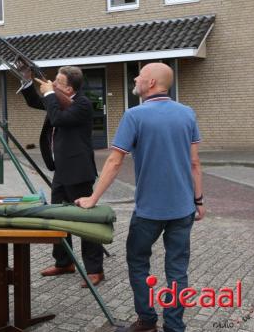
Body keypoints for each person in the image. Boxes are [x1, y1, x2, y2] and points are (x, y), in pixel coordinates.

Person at [75, 62, 205, 332]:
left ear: (152, 84)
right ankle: (174, 326)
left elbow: (114, 162)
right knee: (177, 270)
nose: (135, 78)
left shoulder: (134, 116)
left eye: (141, 75)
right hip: (183, 209)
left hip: (149, 211)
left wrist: (92, 199)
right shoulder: (187, 114)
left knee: (138, 262)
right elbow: (195, 163)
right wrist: (199, 200)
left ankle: (146, 321)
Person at [20, 66, 105, 287]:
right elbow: (36, 103)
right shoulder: (57, 100)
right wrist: (28, 81)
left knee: (85, 223)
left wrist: (49, 93)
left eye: (58, 81)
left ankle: (95, 270)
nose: (53, 83)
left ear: (69, 88)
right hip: (61, 171)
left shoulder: (83, 104)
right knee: (57, 220)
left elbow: (58, 118)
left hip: (78, 173)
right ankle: (64, 262)